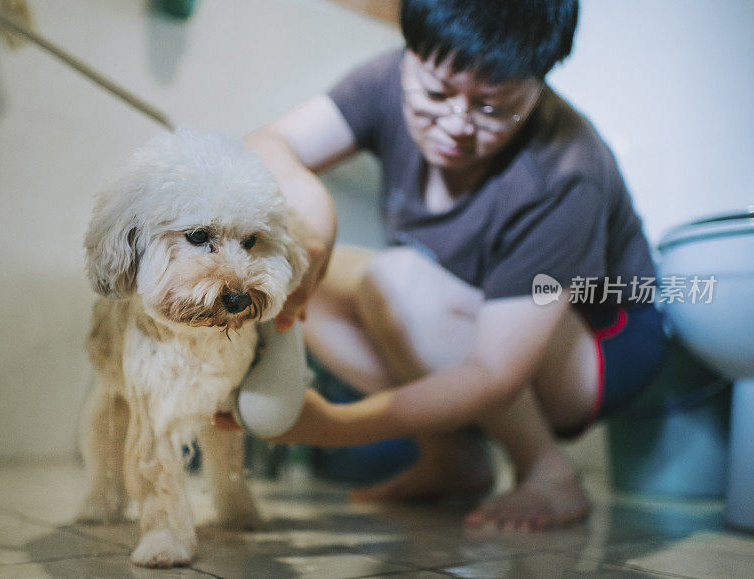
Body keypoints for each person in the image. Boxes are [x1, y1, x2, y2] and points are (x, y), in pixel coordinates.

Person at [219, 0, 668, 531]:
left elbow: (493, 373)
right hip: (486, 316)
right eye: (435, 93)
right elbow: (264, 144)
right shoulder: (386, 80)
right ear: (410, 54)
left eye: (493, 107)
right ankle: (453, 460)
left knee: (399, 281)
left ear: (539, 84)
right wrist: (312, 209)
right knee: (306, 277)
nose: (455, 124)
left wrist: (335, 426)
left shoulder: (566, 171)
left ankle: (548, 473)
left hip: (604, 343)